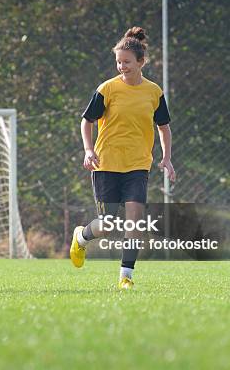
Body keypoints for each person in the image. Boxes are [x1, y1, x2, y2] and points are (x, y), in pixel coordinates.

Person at [70, 26, 176, 290]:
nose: (121, 66)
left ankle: (125, 276)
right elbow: (87, 121)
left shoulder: (154, 92)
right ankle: (82, 237)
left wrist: (167, 157)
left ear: (141, 62)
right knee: (107, 225)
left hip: (138, 165)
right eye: (118, 62)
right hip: (106, 164)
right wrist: (88, 149)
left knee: (135, 220)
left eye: (127, 62)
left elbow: (163, 127)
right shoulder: (107, 89)